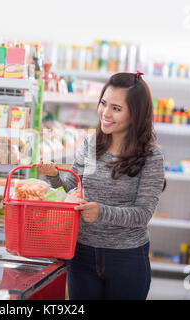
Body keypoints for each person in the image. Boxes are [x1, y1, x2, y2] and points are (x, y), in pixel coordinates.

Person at [36, 72, 165, 300]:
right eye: (104, 103)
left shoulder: (151, 156)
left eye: (116, 108)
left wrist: (101, 212)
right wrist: (54, 175)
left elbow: (143, 213)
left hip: (126, 258)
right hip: (81, 254)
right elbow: (72, 190)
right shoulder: (91, 145)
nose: (105, 113)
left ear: (136, 114)